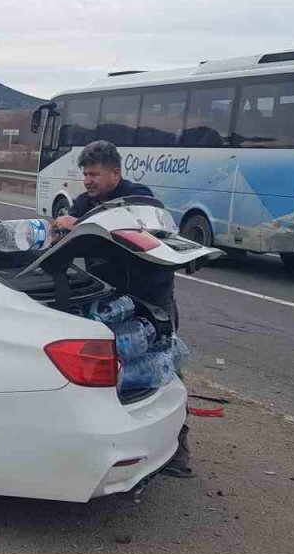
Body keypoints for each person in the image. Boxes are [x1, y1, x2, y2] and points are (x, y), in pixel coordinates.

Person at [54, 140, 194, 478]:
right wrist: (59, 233)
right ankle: (126, 449)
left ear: (115, 173)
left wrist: (78, 224)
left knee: (165, 369)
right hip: (111, 303)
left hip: (152, 300)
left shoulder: (139, 198)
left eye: (94, 174)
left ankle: (178, 451)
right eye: (85, 174)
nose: (88, 181)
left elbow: (118, 229)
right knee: (118, 373)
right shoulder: (84, 202)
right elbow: (67, 240)